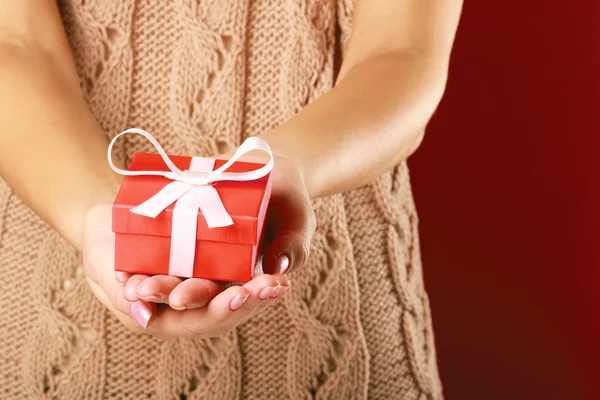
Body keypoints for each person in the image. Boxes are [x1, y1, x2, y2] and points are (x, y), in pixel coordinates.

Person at [0, 0, 462, 398]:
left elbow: (402, 53)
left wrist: (280, 165)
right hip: (52, 325)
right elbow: (15, 43)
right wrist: (99, 214)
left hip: (340, 334)